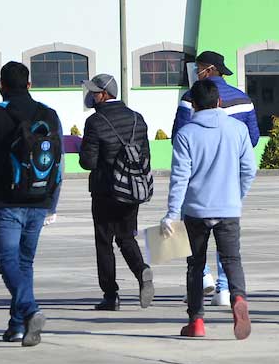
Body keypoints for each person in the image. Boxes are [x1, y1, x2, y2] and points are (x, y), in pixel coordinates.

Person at [0, 61, 63, 347]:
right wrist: (52, 203)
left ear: (1, 86)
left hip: (6, 200)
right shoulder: (50, 114)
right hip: (39, 198)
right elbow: (58, 164)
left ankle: (31, 310)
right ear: (29, 85)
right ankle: (17, 326)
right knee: (24, 262)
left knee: (7, 260)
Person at [161, 79, 257, 339]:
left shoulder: (186, 134)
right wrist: (236, 196)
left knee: (195, 265)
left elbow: (180, 178)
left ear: (193, 105)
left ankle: (197, 322)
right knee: (232, 259)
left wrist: (171, 214)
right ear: (219, 102)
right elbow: (249, 169)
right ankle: (238, 298)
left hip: (195, 210)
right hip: (228, 209)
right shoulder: (237, 130)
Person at [171, 50, 260, 307]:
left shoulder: (191, 97)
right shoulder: (243, 98)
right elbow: (252, 138)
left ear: (207, 70)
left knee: (195, 248)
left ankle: (201, 287)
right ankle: (224, 289)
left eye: (197, 68)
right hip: (230, 178)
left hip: (198, 180)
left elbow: (180, 134)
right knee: (229, 247)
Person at [79, 73, 153, 311]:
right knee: (126, 236)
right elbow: (145, 155)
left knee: (104, 241)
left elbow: (88, 162)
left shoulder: (95, 122)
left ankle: (111, 295)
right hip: (132, 188)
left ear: (103, 94)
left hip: (105, 189)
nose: (90, 96)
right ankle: (142, 271)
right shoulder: (137, 118)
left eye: (93, 92)